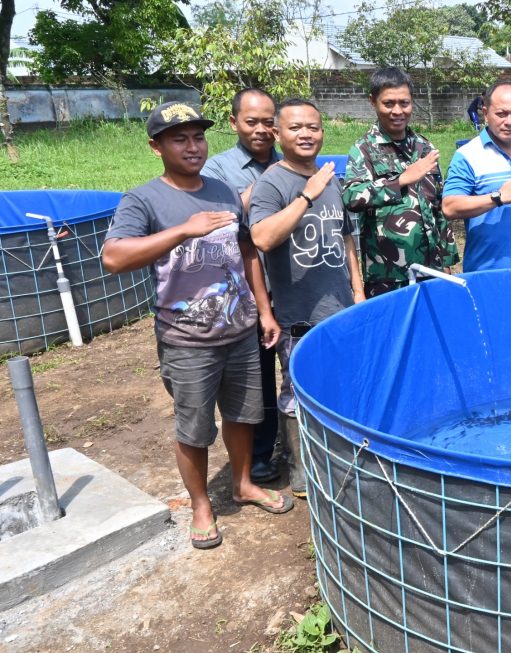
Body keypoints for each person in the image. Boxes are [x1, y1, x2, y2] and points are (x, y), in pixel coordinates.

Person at [102, 101, 292, 550]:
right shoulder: (143, 198)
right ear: (156, 147)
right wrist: (182, 231)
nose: (193, 147)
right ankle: (201, 504)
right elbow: (113, 257)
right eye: (179, 139)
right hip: (187, 339)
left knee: (245, 415)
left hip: (241, 329)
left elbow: (247, 252)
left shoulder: (223, 191)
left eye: (198, 137)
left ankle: (243, 483)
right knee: (194, 426)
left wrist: (263, 312)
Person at [249, 98, 364, 498]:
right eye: (296, 127)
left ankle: (338, 460)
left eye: (313, 127)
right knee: (296, 392)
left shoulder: (328, 177)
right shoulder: (272, 183)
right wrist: (306, 197)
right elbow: (261, 237)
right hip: (298, 315)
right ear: (278, 134)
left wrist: (359, 290)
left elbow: (347, 238)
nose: (306, 134)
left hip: (340, 310)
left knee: (341, 384)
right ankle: (300, 472)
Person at [201, 87, 283, 485]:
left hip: (291, 286)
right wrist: (268, 186)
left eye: (270, 122)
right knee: (259, 378)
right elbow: (218, 225)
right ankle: (261, 454)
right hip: (247, 291)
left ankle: (300, 441)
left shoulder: (291, 164)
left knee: (299, 367)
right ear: (234, 123)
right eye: (252, 122)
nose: (263, 130)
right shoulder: (216, 172)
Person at [342, 67, 460, 297]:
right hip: (387, 273)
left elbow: (438, 208)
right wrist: (400, 181)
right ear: (373, 102)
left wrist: (447, 260)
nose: (397, 111)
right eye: (389, 103)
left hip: (431, 268)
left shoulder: (425, 147)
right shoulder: (364, 148)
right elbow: (352, 196)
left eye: (404, 103)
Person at [442, 81, 511, 272]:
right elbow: (449, 206)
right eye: (501, 113)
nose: (509, 121)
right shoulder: (467, 155)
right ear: (485, 113)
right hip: (485, 272)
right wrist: (497, 198)